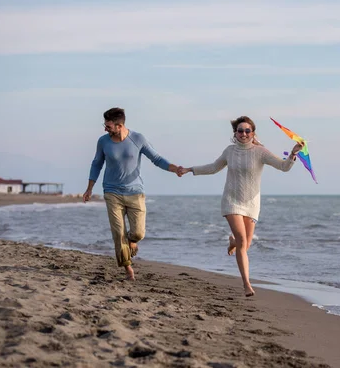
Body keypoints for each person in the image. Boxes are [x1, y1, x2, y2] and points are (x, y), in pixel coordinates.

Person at [177, 116, 303, 297]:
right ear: (235, 133)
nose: (243, 134)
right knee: (243, 242)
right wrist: (190, 169)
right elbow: (213, 168)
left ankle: (233, 241)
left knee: (245, 244)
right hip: (232, 200)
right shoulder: (230, 151)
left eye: (247, 131)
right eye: (240, 131)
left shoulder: (261, 152)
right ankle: (247, 284)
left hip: (252, 203)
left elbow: (283, 167)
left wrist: (293, 154)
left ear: (253, 133)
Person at [83, 107, 180, 281]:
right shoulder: (103, 142)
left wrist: (174, 169)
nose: (105, 128)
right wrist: (90, 188)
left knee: (138, 233)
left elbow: (156, 158)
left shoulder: (137, 139)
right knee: (118, 233)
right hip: (112, 191)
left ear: (119, 125)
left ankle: (132, 240)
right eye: (105, 125)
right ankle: (128, 270)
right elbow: (96, 163)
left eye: (108, 126)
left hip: (135, 192)